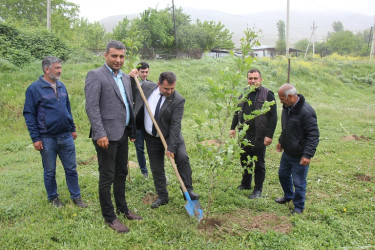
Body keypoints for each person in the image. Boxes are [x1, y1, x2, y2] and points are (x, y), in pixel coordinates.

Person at [85, 41, 141, 233]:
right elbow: (91, 107)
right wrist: (100, 132)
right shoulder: (95, 75)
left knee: (121, 173)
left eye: (122, 56)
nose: (118, 60)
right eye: (114, 56)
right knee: (107, 176)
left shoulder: (125, 77)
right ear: (105, 55)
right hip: (106, 136)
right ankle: (110, 217)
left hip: (122, 133)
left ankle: (123, 208)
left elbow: (128, 104)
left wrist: (132, 130)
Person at [23, 56, 87, 208]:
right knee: (50, 171)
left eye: (60, 68)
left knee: (71, 169)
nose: (60, 71)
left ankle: (76, 197)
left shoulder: (61, 86)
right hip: (47, 138)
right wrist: (35, 138)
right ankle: (53, 198)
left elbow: (67, 108)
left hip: (66, 136)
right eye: (57, 68)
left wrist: (72, 128)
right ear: (46, 69)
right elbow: (29, 114)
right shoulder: (34, 89)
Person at [131, 71, 200, 209]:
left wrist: (171, 147)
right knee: (156, 168)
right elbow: (132, 87)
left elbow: (175, 125)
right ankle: (162, 196)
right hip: (151, 137)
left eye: (172, 88)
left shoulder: (178, 100)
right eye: (166, 88)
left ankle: (188, 190)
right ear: (158, 84)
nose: (170, 91)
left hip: (171, 136)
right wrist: (132, 77)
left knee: (182, 158)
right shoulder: (147, 88)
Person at [230, 69, 277, 199]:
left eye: (255, 78)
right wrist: (232, 128)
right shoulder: (243, 93)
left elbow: (273, 117)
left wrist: (269, 135)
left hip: (260, 136)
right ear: (247, 79)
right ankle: (245, 184)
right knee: (245, 160)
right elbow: (237, 111)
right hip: (244, 134)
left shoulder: (268, 94)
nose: (253, 81)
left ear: (260, 80)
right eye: (250, 78)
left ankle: (258, 189)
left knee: (259, 163)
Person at [275, 83, 319, 215]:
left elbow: (313, 135)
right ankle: (289, 196)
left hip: (299, 155)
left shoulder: (306, 112)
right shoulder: (287, 108)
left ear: (290, 96)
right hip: (288, 152)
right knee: (283, 175)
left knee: (299, 182)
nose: (281, 101)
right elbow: (287, 128)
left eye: (282, 98)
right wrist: (281, 142)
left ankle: (299, 207)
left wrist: (307, 155)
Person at [130, 62, 151, 178]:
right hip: (137, 124)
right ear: (138, 72)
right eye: (142, 72)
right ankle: (144, 172)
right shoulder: (132, 84)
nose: (144, 74)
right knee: (139, 149)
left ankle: (155, 170)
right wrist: (132, 77)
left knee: (152, 149)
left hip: (149, 124)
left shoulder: (151, 85)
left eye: (146, 72)